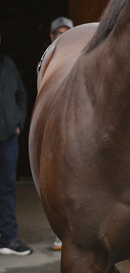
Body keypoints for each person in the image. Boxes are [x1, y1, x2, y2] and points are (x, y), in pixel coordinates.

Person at [0, 31, 32, 256]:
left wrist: (18, 122)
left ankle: (9, 239)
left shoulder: (8, 64)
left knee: (7, 189)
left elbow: (22, 95)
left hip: (8, 138)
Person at [47, 16, 72, 251]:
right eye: (58, 33)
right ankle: (62, 229)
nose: (63, 36)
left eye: (67, 32)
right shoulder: (46, 63)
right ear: (52, 37)